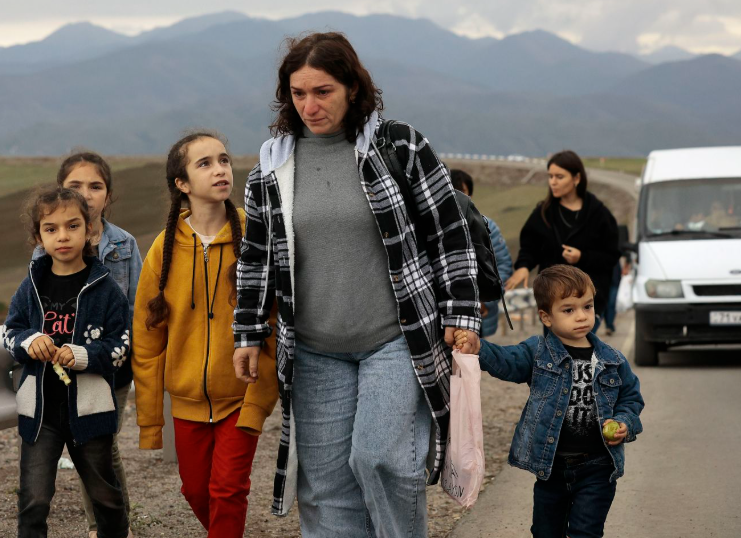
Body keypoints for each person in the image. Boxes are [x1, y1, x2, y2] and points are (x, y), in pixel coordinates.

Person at [232, 32, 481, 537]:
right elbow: (256, 257)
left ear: (351, 87)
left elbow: (449, 233)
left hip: (394, 339)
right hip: (315, 350)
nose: (309, 104)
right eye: (298, 93)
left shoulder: (398, 145)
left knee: (382, 460)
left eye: (322, 91)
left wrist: (461, 317)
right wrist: (248, 332)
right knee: (324, 487)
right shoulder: (272, 166)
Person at [132, 131, 279, 537]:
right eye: (205, 163)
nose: (220, 170)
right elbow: (147, 342)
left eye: (224, 160)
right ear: (181, 184)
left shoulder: (257, 238)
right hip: (185, 402)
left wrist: (260, 399)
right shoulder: (163, 250)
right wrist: (150, 421)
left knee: (228, 490)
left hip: (241, 396)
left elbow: (276, 325)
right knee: (197, 491)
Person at [454, 264, 644, 538]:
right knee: (544, 532)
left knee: (585, 532)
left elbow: (631, 397)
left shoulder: (612, 360)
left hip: (598, 466)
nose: (581, 316)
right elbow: (509, 362)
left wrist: (624, 421)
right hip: (551, 468)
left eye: (587, 307)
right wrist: (479, 348)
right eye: (569, 310)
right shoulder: (538, 351)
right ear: (546, 317)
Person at [4, 186, 132, 538]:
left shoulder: (106, 289)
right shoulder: (31, 285)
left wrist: (82, 356)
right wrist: (31, 341)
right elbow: (11, 332)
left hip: (90, 412)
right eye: (51, 229)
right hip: (40, 413)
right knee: (34, 499)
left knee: (106, 497)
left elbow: (122, 346)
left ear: (89, 230)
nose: (63, 236)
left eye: (73, 226)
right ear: (38, 236)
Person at [32, 150, 141, 538]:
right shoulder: (46, 247)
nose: (87, 193)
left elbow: (136, 309)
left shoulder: (124, 245)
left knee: (101, 445)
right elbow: (36, 304)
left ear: (108, 196)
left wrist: (133, 360)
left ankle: (108, 528)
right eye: (75, 185)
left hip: (111, 367)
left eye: (96, 186)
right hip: (60, 370)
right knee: (83, 446)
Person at [504, 151, 620, 332]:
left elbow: (611, 256)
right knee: (555, 355)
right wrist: (523, 266)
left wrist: (582, 257)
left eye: (559, 176)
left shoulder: (599, 215)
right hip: (554, 302)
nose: (553, 182)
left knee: (578, 353)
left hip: (587, 302)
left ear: (576, 178)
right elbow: (530, 246)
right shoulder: (543, 213)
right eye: (550, 176)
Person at [451, 169, 513, 337]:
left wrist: (486, 303)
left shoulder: (487, 226)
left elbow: (503, 266)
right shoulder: (431, 228)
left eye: (462, 191)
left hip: (480, 318)